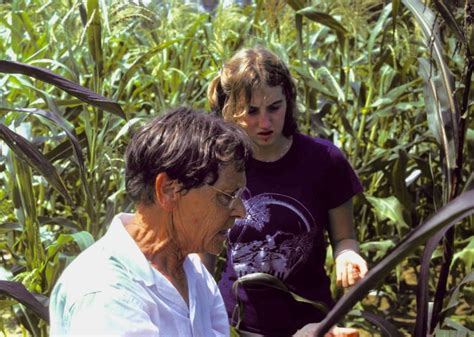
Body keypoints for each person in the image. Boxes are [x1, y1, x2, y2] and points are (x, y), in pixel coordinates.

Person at [206, 47, 368, 335]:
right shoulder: (220, 163)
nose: (265, 123)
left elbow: (345, 238)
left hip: (310, 323)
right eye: (252, 111)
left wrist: (347, 256)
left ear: (289, 102)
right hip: (234, 324)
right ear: (230, 110)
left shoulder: (325, 160)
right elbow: (204, 250)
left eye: (274, 107)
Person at [49, 107, 252, 336]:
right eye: (226, 196)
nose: (240, 211)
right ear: (168, 190)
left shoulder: (195, 274)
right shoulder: (106, 294)